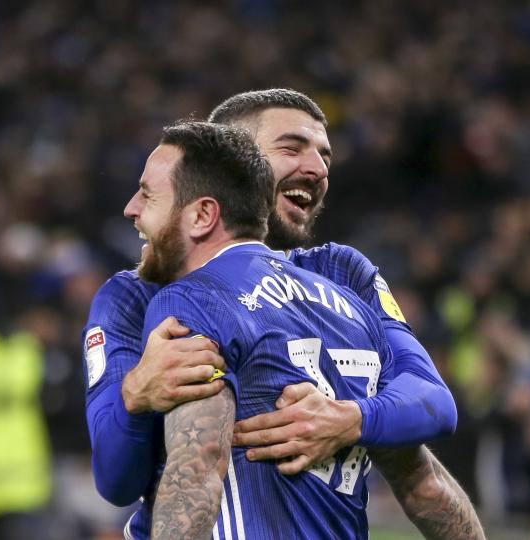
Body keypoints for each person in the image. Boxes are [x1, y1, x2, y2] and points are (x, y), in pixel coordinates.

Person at [83, 90, 482, 539]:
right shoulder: (137, 296)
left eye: (325, 155)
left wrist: (350, 418)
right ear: (234, 160)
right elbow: (120, 481)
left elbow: (430, 403)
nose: (318, 169)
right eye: (292, 148)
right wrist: (134, 394)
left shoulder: (341, 273)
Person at [134, 119, 407, 538]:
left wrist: (132, 393)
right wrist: (361, 417)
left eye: (149, 195)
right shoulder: (352, 306)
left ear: (203, 213)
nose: (132, 208)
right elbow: (426, 477)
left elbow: (197, 470)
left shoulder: (196, 297)